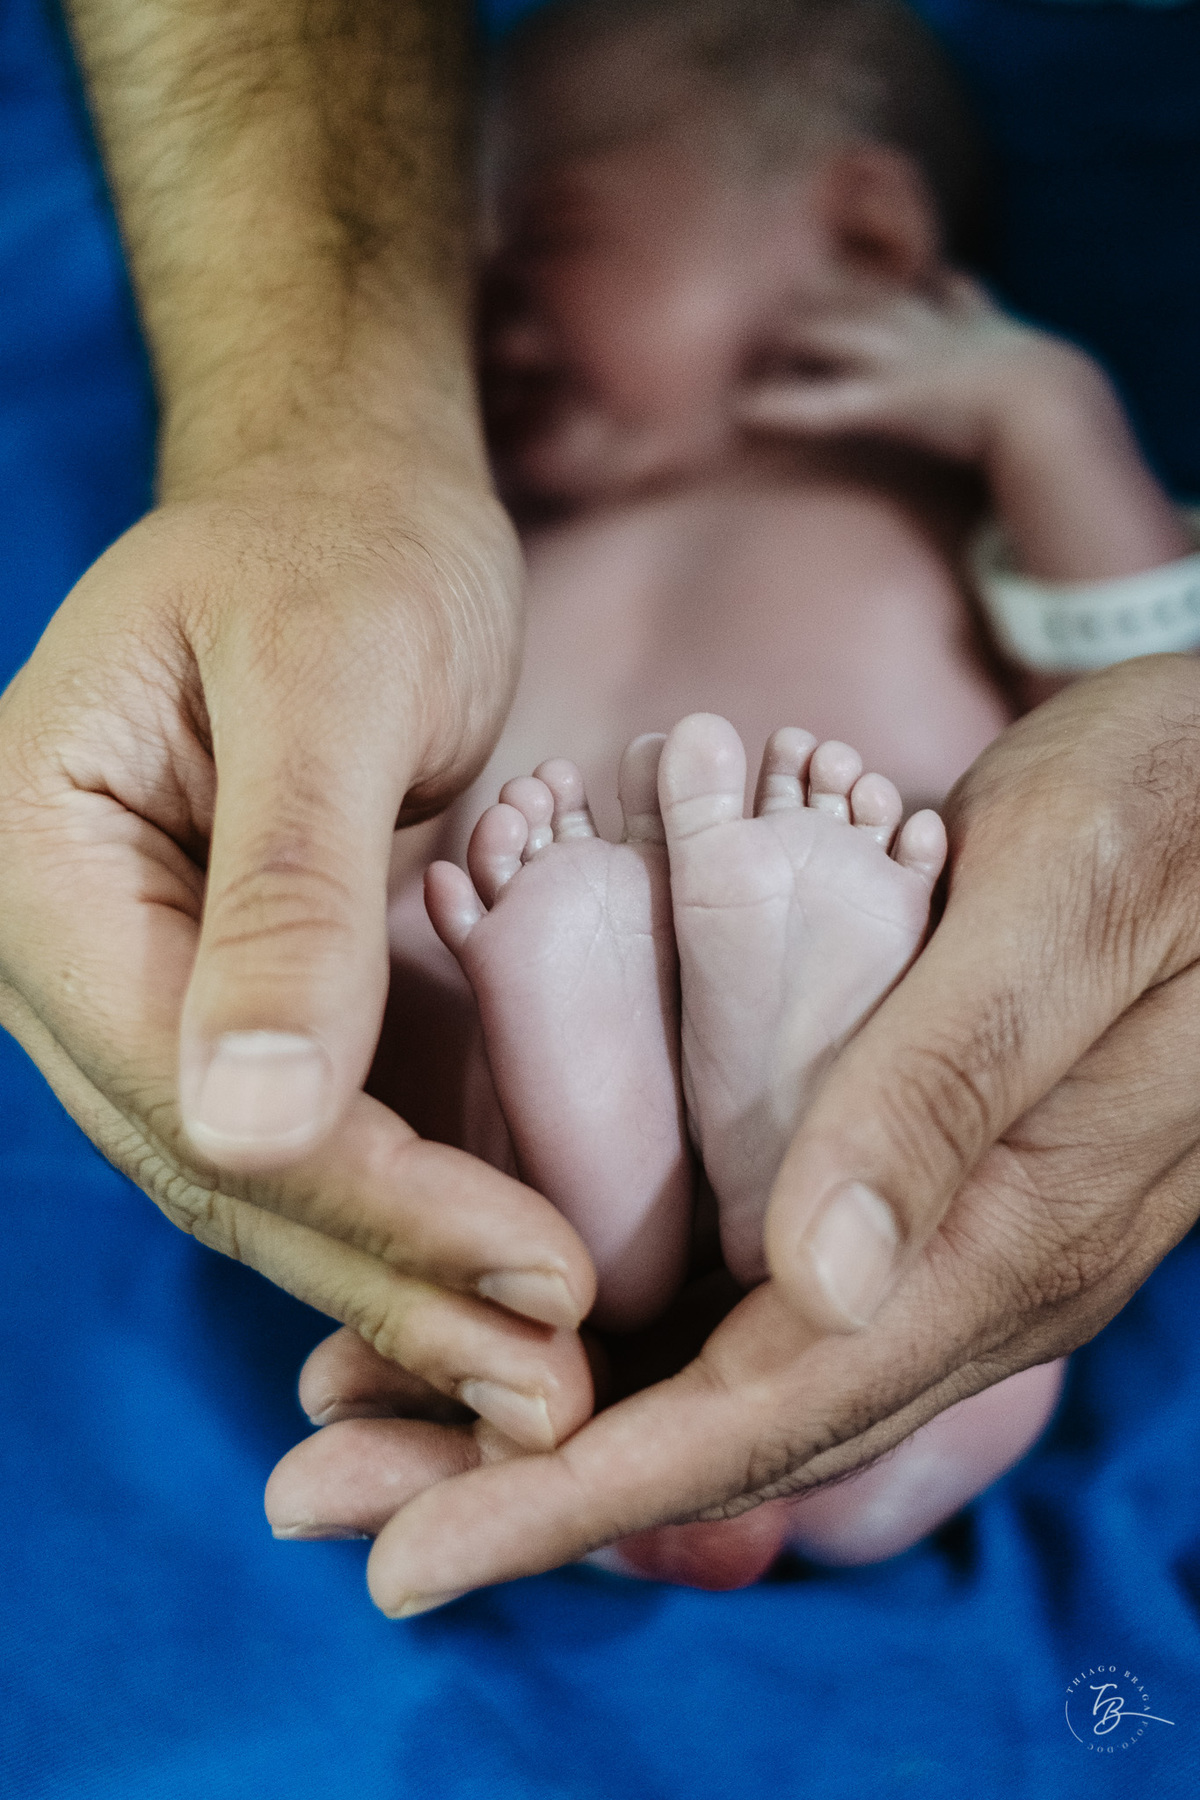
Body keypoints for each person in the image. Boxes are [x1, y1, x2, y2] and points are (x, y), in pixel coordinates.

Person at [266, 0, 1194, 1590]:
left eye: (546, 230)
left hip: (920, 1129)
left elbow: (1159, 723)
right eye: (457, 269)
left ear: (863, 228)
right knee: (483, 1072)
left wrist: (1041, 414)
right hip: (526, 1161)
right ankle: (601, 1088)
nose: (484, 306)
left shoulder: (950, 492)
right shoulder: (471, 538)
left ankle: (748, 1149)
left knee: (947, 1193)